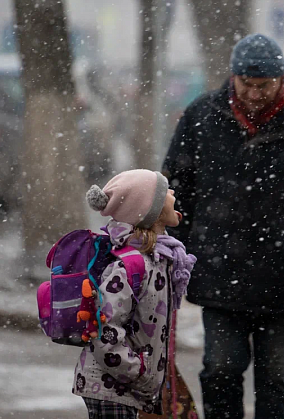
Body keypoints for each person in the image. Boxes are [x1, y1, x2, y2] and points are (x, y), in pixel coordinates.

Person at [163, 33, 284, 419]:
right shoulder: (201, 118)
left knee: (275, 378)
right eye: (246, 84)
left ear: (282, 80)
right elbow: (174, 192)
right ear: (232, 77)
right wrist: (179, 252)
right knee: (220, 369)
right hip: (219, 272)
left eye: (263, 85)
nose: (253, 93)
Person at [72, 169, 196, 419]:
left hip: (127, 388)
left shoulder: (161, 259)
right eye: (165, 191)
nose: (172, 192)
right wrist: (139, 371)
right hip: (110, 388)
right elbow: (104, 333)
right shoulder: (129, 266)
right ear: (152, 210)